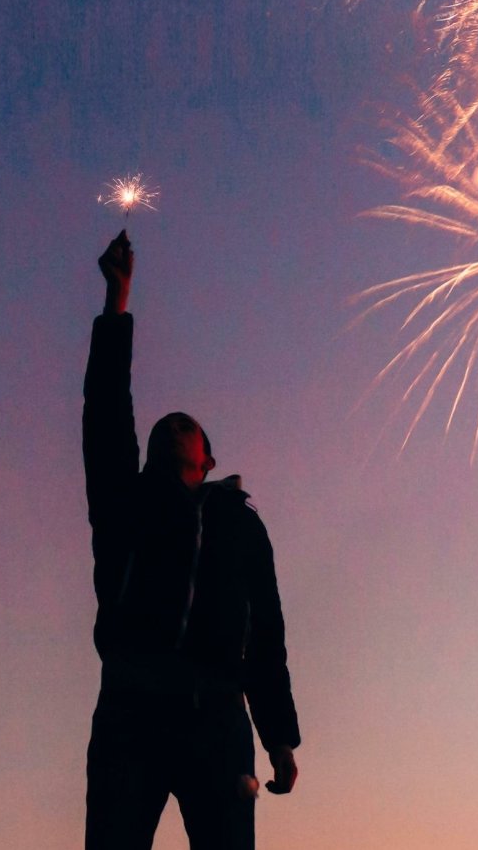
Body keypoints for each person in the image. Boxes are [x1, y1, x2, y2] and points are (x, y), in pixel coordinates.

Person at [82, 230, 301, 850]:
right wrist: (117, 302)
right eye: (164, 424)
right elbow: (104, 414)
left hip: (219, 717)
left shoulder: (241, 524)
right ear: (150, 454)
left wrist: (278, 734)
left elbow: (266, 635)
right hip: (132, 708)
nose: (175, 421)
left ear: (207, 458)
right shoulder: (125, 503)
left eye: (190, 424)